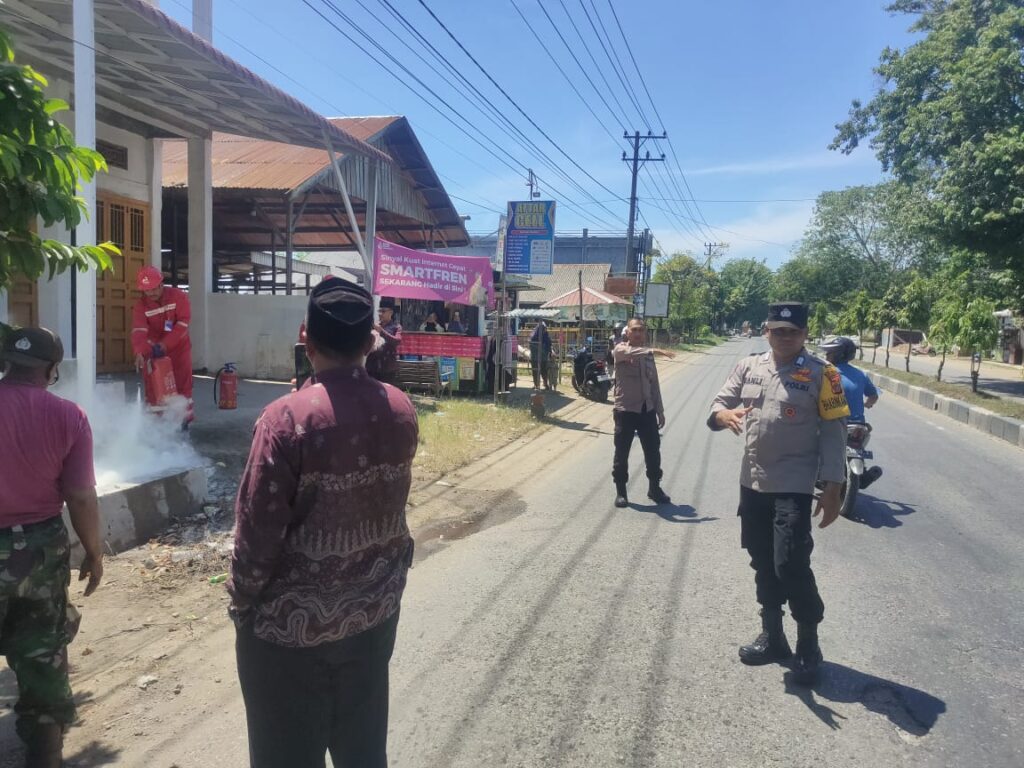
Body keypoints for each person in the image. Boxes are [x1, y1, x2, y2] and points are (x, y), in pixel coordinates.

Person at [229, 278, 418, 768]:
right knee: (363, 752)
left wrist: (241, 602)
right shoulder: (401, 409)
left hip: (287, 640)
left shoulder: (285, 420)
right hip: (372, 618)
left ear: (306, 340)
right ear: (370, 342)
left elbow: (256, 536)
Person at [707, 302, 849, 685]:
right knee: (762, 560)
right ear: (766, 332)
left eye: (793, 332)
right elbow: (719, 403)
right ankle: (773, 636)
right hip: (753, 483)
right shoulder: (748, 366)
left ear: (804, 334)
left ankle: (808, 644)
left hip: (794, 484)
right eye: (777, 331)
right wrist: (723, 416)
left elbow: (834, 433)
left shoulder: (824, 374)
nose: (785, 337)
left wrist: (833, 487)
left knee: (791, 563)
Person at [0, 327, 104, 768]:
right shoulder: (68, 416)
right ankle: (45, 752)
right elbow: (80, 496)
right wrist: (94, 552)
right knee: (41, 649)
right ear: (52, 369)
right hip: (38, 550)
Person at [611, 317, 675, 508]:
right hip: (625, 410)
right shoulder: (620, 349)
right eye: (635, 330)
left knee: (653, 451)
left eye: (641, 330)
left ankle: (654, 488)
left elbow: (654, 384)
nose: (638, 333)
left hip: (647, 410)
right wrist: (655, 350)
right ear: (628, 332)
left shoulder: (648, 356)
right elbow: (630, 352)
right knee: (622, 452)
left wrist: (660, 411)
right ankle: (621, 492)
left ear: (645, 332)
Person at [130, 266, 193, 423]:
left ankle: (183, 424)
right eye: (147, 290)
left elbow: (182, 324)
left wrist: (164, 345)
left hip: (179, 349)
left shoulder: (178, 297)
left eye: (153, 288)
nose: (151, 293)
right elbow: (139, 330)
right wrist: (140, 352)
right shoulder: (141, 306)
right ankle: (156, 426)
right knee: (154, 388)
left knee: (181, 385)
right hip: (152, 351)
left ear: (161, 284)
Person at [820, 335, 883, 488]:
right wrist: (867, 404)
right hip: (858, 425)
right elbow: (873, 396)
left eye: (829, 353)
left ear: (838, 355)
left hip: (832, 423)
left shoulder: (825, 373)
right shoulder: (860, 374)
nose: (826, 356)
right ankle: (863, 473)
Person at [366, 298, 402, 385]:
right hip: (372, 367)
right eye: (379, 311)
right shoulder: (374, 326)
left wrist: (381, 332)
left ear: (391, 312)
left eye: (383, 311)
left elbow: (397, 341)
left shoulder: (396, 327)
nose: (380, 314)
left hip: (387, 368)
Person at [529, 321, 553, 389]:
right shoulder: (534, 336)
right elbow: (531, 345)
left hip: (542, 357)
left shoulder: (545, 336)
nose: (544, 330)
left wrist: (549, 352)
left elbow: (549, 345)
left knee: (543, 371)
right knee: (537, 371)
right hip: (536, 357)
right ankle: (537, 385)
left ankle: (544, 384)